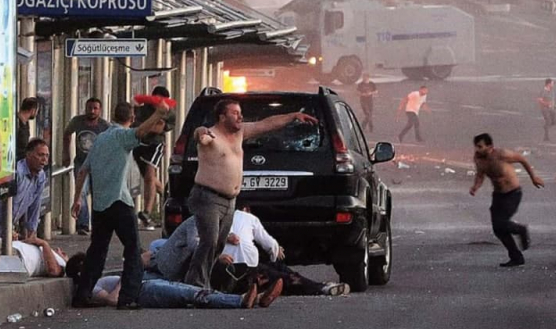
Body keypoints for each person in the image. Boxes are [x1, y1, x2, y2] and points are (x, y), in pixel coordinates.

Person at [184, 99, 318, 289]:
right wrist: (200, 132)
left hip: (229, 200)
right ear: (222, 117)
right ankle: (195, 285)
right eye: (235, 113)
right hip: (207, 197)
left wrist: (293, 116)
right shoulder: (211, 135)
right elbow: (200, 135)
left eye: (240, 113)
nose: (240, 116)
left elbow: (267, 124)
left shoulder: (239, 133)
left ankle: (205, 282)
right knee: (209, 241)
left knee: (219, 243)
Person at [70, 101, 169, 309]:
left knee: (97, 250)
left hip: (99, 206)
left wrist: (77, 199)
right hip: (119, 201)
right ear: (131, 118)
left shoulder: (100, 139)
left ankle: (82, 295)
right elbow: (141, 132)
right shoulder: (121, 136)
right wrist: (158, 113)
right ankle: (127, 298)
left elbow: (82, 171)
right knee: (133, 250)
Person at [212, 206, 349, 297]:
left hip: (230, 267)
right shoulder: (249, 218)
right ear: (245, 209)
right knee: (280, 274)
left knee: (279, 269)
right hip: (241, 269)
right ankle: (321, 288)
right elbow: (270, 245)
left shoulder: (209, 219)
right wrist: (276, 252)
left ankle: (320, 286)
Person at [469, 133, 545, 267]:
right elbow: (480, 174)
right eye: (476, 146)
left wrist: (533, 178)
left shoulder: (501, 154)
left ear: (490, 146)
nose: (478, 149)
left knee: (502, 223)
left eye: (480, 146)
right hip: (498, 195)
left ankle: (520, 230)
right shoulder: (478, 159)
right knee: (498, 229)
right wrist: (475, 187)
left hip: (513, 193)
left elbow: (522, 159)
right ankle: (516, 257)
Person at [88, 272, 281, 310]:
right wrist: (125, 278)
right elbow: (113, 300)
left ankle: (254, 299)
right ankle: (239, 301)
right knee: (194, 296)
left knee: (198, 290)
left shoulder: (100, 279)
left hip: (149, 284)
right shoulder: (92, 287)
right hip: (144, 292)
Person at [0, 138, 49, 243]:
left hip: (7, 226)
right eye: (40, 155)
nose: (44, 159)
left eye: (46, 156)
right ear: (28, 154)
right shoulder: (16, 174)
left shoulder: (40, 176)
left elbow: (35, 206)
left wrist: (31, 231)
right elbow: (0, 206)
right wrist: (7, 230)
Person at [63, 98, 109, 235]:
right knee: (81, 191)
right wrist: (66, 153)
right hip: (81, 162)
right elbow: (67, 133)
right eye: (89, 108)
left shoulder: (104, 126)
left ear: (100, 110)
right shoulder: (78, 121)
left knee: (98, 194)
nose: (92, 111)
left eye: (95, 108)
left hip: (98, 164)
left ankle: (98, 223)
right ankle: (82, 224)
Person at [132, 85, 170, 231]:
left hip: (155, 145)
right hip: (140, 145)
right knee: (151, 180)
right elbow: (135, 124)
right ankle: (167, 196)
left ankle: (147, 212)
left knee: (149, 174)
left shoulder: (166, 111)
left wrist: (144, 126)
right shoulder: (143, 109)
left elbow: (159, 128)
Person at [10, 237, 80, 278]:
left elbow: (54, 270)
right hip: (14, 251)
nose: (58, 249)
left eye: (63, 253)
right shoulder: (53, 256)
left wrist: (44, 244)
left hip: (20, 257)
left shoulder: (63, 264)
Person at [536, 78, 556, 142]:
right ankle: (546, 136)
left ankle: (546, 127)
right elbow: (539, 100)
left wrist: (554, 105)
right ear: (548, 84)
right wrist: (546, 104)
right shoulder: (543, 91)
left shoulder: (551, 91)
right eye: (552, 83)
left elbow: (552, 100)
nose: (553, 84)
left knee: (554, 121)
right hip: (545, 109)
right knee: (548, 121)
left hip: (551, 108)